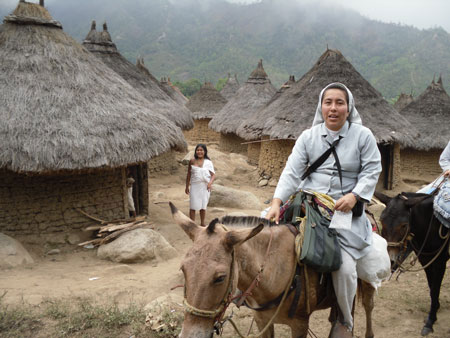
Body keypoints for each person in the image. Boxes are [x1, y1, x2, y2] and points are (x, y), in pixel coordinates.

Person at [265, 82, 382, 337]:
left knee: (345, 266)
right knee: (265, 237)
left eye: (339, 102)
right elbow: (292, 172)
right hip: (307, 204)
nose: (333, 108)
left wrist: (354, 196)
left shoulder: (363, 136)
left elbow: (372, 170)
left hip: (344, 210)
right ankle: (259, 299)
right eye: (328, 102)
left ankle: (344, 318)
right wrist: (275, 202)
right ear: (321, 106)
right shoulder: (308, 136)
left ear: (348, 108)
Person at [185, 144, 216, 226]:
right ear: (195, 151)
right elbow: (189, 174)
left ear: (205, 151)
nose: (199, 152)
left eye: (201, 150)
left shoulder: (208, 162)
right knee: (193, 205)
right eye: (198, 150)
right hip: (195, 186)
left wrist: (210, 183)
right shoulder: (192, 161)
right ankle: (192, 224)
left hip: (205, 186)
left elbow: (213, 175)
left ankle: (202, 223)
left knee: (203, 205)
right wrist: (187, 186)